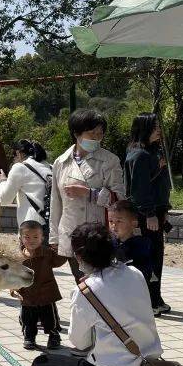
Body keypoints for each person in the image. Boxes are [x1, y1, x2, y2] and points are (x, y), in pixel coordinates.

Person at [31, 222, 167, 366]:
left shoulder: (87, 289)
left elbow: (79, 342)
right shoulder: (135, 274)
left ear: (79, 256)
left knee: (42, 365)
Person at [50, 109, 125, 280]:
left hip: (99, 236)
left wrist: (89, 193)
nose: (97, 138)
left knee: (100, 284)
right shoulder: (60, 162)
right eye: (92, 133)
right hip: (72, 232)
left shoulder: (110, 161)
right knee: (82, 284)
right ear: (76, 133)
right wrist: (54, 237)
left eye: (100, 133)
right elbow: (56, 202)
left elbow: (119, 200)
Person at [124, 113, 172, 314]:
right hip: (147, 214)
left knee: (155, 257)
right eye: (154, 127)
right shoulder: (140, 155)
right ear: (144, 129)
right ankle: (150, 302)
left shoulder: (149, 153)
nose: (158, 131)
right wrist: (150, 213)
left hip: (156, 211)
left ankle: (155, 298)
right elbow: (139, 189)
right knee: (149, 257)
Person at [17, 219, 66, 351]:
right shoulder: (17, 257)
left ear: (42, 238)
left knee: (50, 317)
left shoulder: (47, 252)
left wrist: (64, 248)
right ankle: (29, 337)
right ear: (20, 238)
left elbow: (60, 260)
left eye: (35, 237)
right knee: (28, 318)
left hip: (46, 293)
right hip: (26, 294)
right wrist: (13, 289)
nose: (31, 240)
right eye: (27, 237)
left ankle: (54, 336)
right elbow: (13, 275)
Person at [0, 139, 52, 233]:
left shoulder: (20, 167)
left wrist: (3, 181)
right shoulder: (51, 167)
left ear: (19, 153)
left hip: (31, 226)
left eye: (14, 155)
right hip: (52, 224)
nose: (14, 159)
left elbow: (4, 199)